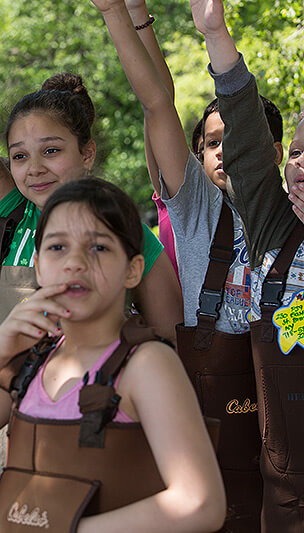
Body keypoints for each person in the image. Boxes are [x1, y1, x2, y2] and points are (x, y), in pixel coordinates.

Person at [0, 3, 182, 527]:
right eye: (19, 155)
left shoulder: (124, 232)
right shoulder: (9, 217)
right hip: (9, 425)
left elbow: (169, 331)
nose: (33, 168)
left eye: (51, 151)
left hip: (102, 429)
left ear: (87, 153)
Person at [0, 178, 225, 532]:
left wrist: (63, 528)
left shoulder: (146, 364)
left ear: (132, 269)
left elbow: (201, 503)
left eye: (98, 248)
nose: (75, 262)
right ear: (38, 264)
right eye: (58, 247)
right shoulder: (32, 361)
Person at [94, 0, 287, 528]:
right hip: (214, 421)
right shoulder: (197, 208)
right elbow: (157, 104)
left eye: (236, 143)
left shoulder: (287, 218)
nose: (223, 154)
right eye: (211, 144)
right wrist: (122, 14)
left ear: (271, 154)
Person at [192, 0, 304, 529]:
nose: (301, 164)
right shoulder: (274, 232)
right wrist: (215, 33)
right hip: (288, 490)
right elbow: (247, 142)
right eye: (297, 153)